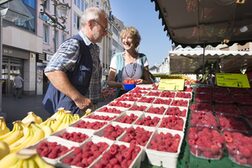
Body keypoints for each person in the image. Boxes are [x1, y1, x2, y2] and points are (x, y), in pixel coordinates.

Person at [42, 7, 108, 115]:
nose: (105, 33)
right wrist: (78, 98)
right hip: (70, 111)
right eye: (104, 28)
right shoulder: (74, 43)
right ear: (91, 24)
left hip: (87, 110)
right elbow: (52, 71)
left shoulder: (94, 48)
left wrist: (98, 92)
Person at [107, 26, 153, 97]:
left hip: (140, 95)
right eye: (123, 38)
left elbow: (149, 81)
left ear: (136, 41)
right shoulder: (116, 58)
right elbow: (109, 82)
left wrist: (143, 82)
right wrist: (121, 84)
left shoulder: (142, 58)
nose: (125, 41)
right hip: (121, 96)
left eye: (129, 38)